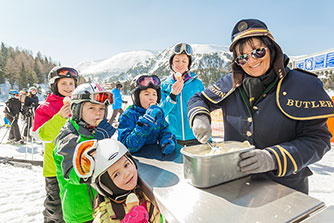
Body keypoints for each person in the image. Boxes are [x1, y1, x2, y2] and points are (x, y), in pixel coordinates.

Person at [187, 18, 334, 194]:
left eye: (257, 52)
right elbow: (198, 99)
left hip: (286, 190)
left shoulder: (303, 84)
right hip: (235, 182)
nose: (251, 61)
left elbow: (318, 140)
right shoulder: (231, 83)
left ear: (271, 48)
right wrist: (200, 117)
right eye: (242, 57)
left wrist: (273, 158)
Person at [53, 83, 116, 223]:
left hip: (102, 207)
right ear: (76, 110)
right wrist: (98, 142)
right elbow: (77, 175)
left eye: (101, 108)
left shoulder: (94, 132)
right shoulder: (68, 139)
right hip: (80, 214)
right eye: (91, 108)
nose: (98, 113)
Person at [72, 138, 163, 223]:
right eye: (116, 174)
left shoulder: (142, 192)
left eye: (126, 165)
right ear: (106, 186)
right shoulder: (104, 216)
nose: (127, 173)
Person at [33, 66, 79, 222]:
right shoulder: (45, 107)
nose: (68, 88)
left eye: (71, 84)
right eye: (64, 83)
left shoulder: (79, 105)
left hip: (77, 166)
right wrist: (59, 117)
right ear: (55, 85)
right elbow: (40, 135)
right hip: (54, 168)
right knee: (56, 209)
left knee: (74, 207)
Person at [159, 43, 204, 148]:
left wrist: (207, 138)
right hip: (174, 140)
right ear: (171, 63)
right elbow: (161, 113)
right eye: (177, 60)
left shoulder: (197, 84)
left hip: (196, 138)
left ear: (188, 64)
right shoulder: (165, 85)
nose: (180, 64)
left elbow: (204, 111)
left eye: (184, 61)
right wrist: (172, 96)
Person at [118, 74, 176, 154]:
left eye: (154, 94)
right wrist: (145, 122)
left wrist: (167, 141)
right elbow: (127, 146)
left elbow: (164, 130)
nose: (151, 98)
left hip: (153, 159)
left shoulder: (158, 113)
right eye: (146, 94)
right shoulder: (128, 115)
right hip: (134, 161)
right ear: (136, 97)